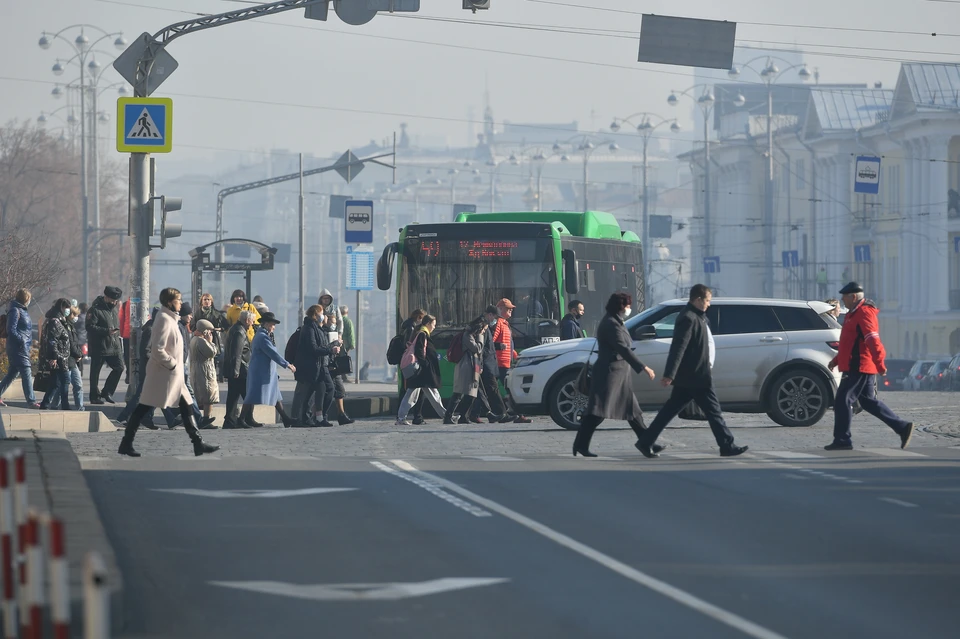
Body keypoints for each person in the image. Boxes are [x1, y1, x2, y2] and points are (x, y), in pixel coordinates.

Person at [636, 284, 749, 458]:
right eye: (707, 301)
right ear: (697, 299)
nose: (709, 305)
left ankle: (645, 442)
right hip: (696, 376)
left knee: (669, 411)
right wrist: (669, 374)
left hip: (693, 376)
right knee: (713, 411)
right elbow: (678, 347)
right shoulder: (688, 318)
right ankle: (727, 445)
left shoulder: (699, 317)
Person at [118, 288, 220, 457]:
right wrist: (172, 365)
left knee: (184, 405)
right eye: (178, 300)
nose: (180, 303)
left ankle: (197, 442)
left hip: (172, 372)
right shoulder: (164, 320)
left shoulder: (171, 319)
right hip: (164, 372)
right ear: (170, 302)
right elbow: (157, 350)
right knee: (143, 407)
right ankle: (126, 442)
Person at [825, 282, 914, 451]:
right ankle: (902, 427)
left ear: (853, 296)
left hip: (858, 365)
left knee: (843, 400)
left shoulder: (864, 313)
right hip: (856, 363)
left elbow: (872, 340)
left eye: (844, 296)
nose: (842, 299)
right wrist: (836, 360)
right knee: (868, 402)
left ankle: (842, 440)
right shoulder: (854, 313)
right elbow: (849, 343)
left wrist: (880, 364)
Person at [573, 293, 662, 457]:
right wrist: (644, 367)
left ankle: (646, 443)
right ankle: (580, 444)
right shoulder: (611, 324)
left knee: (634, 412)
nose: (629, 309)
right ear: (620, 306)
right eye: (627, 305)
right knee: (596, 411)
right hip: (609, 374)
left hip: (620, 374)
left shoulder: (617, 322)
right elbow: (623, 348)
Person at [242, 312, 296, 427]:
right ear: (266, 324)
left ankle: (285, 418)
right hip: (260, 372)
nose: (274, 327)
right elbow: (272, 353)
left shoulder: (265, 335)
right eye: (272, 324)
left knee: (275, 394)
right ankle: (241, 418)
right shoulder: (262, 337)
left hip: (266, 371)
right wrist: (287, 364)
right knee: (252, 395)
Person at [291, 305, 338, 428]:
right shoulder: (309, 328)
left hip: (320, 366)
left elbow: (322, 346)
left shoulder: (317, 328)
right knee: (311, 392)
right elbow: (314, 348)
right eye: (322, 313)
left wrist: (331, 347)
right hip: (311, 367)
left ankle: (317, 417)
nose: (323, 316)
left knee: (324, 390)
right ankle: (308, 418)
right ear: (316, 314)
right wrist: (330, 349)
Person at [395, 314, 446, 425]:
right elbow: (419, 351)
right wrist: (426, 364)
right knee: (418, 395)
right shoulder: (422, 334)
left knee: (422, 394)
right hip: (421, 371)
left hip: (420, 371)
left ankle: (446, 415)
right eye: (433, 324)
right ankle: (400, 418)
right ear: (427, 324)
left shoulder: (421, 333)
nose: (434, 327)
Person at [492, 298, 531, 424]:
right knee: (510, 389)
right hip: (500, 362)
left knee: (490, 389)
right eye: (508, 309)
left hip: (504, 362)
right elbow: (491, 341)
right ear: (501, 309)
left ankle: (481, 414)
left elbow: (509, 345)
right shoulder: (499, 323)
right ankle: (518, 414)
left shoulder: (504, 323)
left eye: (511, 309)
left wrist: (516, 355)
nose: (511, 311)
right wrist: (500, 347)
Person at [0, 289, 39, 408]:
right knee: (26, 371)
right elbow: (11, 329)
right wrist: (22, 340)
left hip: (21, 347)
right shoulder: (15, 310)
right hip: (18, 347)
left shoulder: (22, 310)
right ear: (26, 298)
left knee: (12, 373)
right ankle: (31, 401)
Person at [468, 305, 507, 424]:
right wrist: (481, 364)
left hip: (486, 362)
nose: (495, 320)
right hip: (485, 363)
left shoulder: (484, 324)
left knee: (482, 391)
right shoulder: (481, 325)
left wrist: (498, 346)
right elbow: (480, 346)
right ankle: (501, 413)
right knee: (492, 389)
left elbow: (486, 344)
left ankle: (475, 414)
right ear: (490, 315)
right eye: (495, 317)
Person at [86, 286, 125, 404]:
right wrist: (106, 331)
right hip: (100, 346)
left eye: (116, 300)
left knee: (119, 368)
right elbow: (89, 327)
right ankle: (94, 396)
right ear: (106, 297)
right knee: (95, 372)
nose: (115, 302)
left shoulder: (114, 309)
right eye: (113, 300)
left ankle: (107, 392)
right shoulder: (95, 309)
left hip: (114, 346)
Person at [444, 317, 485, 424]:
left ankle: (464, 416)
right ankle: (448, 416)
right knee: (459, 393)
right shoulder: (467, 336)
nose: (483, 332)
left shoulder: (471, 335)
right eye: (482, 330)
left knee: (471, 394)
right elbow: (477, 349)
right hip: (465, 367)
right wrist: (481, 336)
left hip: (471, 367)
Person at [38, 298, 73, 411]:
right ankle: (65, 406)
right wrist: (53, 357)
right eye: (66, 308)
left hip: (60, 356)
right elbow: (52, 340)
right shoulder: (55, 321)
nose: (67, 311)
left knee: (55, 383)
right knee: (65, 380)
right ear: (62, 307)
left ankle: (45, 404)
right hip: (59, 357)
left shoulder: (56, 319)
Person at [223, 311, 254, 429]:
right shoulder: (239, 332)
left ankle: (230, 421)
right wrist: (236, 371)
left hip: (236, 369)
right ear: (246, 320)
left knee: (233, 396)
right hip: (240, 370)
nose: (252, 324)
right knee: (248, 395)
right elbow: (237, 353)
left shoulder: (236, 329)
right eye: (251, 321)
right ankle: (243, 419)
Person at [189, 319, 220, 426]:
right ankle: (206, 419)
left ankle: (202, 418)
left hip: (199, 369)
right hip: (205, 371)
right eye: (209, 331)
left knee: (202, 395)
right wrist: (210, 342)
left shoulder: (194, 339)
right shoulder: (201, 341)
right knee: (208, 396)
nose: (211, 334)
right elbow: (212, 353)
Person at [398, 309, 427, 424]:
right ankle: (415, 416)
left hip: (408, 362)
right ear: (419, 317)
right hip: (411, 363)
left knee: (411, 390)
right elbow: (409, 346)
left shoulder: (408, 325)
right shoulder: (411, 328)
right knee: (412, 390)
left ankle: (411, 416)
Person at [340, 305, 356, 383]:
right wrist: (352, 345)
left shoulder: (337, 320)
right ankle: (344, 377)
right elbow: (351, 334)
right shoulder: (348, 321)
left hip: (337, 343)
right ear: (347, 312)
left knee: (338, 360)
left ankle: (341, 376)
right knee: (344, 360)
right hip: (345, 344)